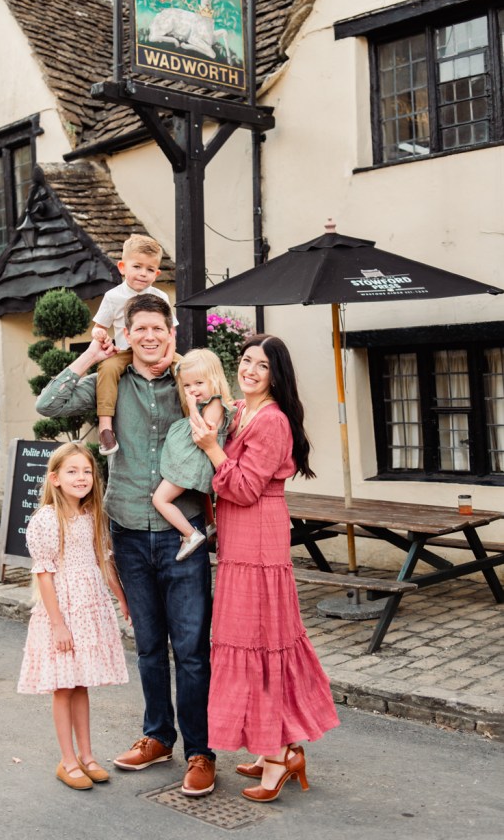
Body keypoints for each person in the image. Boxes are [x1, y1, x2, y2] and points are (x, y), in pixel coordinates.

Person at [36, 293, 217, 798]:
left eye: (159, 329)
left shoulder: (192, 382)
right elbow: (48, 403)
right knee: (149, 646)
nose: (150, 337)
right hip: (129, 531)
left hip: (187, 533)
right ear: (129, 334)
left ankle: (200, 750)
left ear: (171, 332)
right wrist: (93, 353)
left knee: (192, 650)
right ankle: (158, 735)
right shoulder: (107, 383)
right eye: (141, 330)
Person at [191, 334, 339, 803]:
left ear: (277, 375)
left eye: (263, 365)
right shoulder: (241, 411)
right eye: (246, 360)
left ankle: (277, 760)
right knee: (250, 638)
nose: (251, 370)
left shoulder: (271, 421)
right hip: (240, 539)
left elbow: (244, 488)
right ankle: (276, 744)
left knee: (261, 639)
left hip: (257, 536)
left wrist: (214, 449)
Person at [17, 442, 130, 791]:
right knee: (64, 686)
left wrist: (123, 601)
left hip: (90, 607)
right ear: (55, 478)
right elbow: (44, 573)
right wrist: (58, 624)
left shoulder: (93, 515)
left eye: (86, 471)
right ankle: (67, 760)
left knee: (81, 683)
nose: (81, 478)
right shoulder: (46, 520)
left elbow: (104, 562)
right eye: (72, 471)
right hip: (63, 611)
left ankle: (88, 754)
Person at [91, 234, 177, 456]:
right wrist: (100, 334)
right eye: (137, 266)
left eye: (149, 270)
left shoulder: (160, 297)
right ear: (122, 267)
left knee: (187, 366)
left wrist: (168, 357)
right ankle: (105, 428)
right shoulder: (113, 297)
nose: (142, 273)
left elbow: (171, 331)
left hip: (158, 350)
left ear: (157, 273)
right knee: (107, 369)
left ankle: (195, 419)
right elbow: (98, 327)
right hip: (125, 351)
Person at [152, 348, 234, 561]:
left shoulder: (215, 403)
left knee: (160, 500)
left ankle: (190, 534)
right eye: (187, 385)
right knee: (202, 495)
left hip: (191, 464)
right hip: (191, 461)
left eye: (199, 383)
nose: (193, 390)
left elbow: (203, 430)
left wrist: (191, 406)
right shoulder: (209, 403)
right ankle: (210, 525)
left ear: (213, 380)